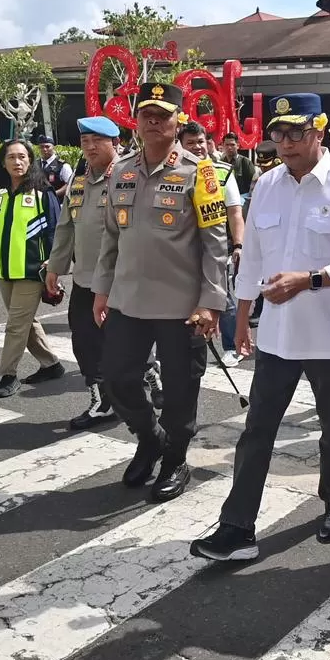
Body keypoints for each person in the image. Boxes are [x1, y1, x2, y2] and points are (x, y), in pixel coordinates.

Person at [190, 92, 330, 561]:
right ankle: (237, 528)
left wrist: (309, 280)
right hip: (276, 333)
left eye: (296, 133)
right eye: (278, 133)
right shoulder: (269, 184)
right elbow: (253, 254)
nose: (286, 142)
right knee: (257, 429)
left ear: (319, 132)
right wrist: (243, 316)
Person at [91, 81, 229, 502]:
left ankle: (175, 459)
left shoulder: (198, 172)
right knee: (115, 380)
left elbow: (215, 242)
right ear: (135, 121)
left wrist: (211, 302)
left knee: (181, 389)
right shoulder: (122, 170)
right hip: (128, 300)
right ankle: (150, 438)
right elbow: (111, 237)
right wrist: (101, 290)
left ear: (178, 121)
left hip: (181, 306)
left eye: (163, 115)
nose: (153, 121)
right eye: (146, 114)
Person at [0, 139, 65, 398]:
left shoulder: (43, 194)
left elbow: (56, 230)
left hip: (31, 271)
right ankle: (52, 365)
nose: (17, 162)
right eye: (11, 158)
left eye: (22, 157)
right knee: (25, 322)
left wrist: (54, 263)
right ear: (3, 163)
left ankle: (8, 374)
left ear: (30, 162)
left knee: (16, 324)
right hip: (4, 271)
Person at [47, 116, 126, 430]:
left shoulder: (129, 177)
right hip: (84, 279)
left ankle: (137, 390)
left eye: (97, 140)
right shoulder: (79, 183)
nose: (90, 147)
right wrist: (55, 268)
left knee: (123, 344)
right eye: (85, 141)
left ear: (115, 143)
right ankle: (102, 400)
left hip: (121, 280)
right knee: (84, 341)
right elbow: (66, 228)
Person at [179, 121, 246, 367]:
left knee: (223, 298)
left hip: (217, 249)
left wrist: (238, 245)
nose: (197, 147)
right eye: (190, 143)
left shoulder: (221, 172)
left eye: (201, 142)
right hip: (182, 253)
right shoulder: (172, 171)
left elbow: (235, 213)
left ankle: (230, 347)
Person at [35, 134, 74, 199]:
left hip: (56, 202)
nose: (44, 149)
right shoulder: (34, 164)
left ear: (54, 147)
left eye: (47, 146)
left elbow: (69, 184)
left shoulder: (63, 165)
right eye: (42, 147)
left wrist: (54, 194)